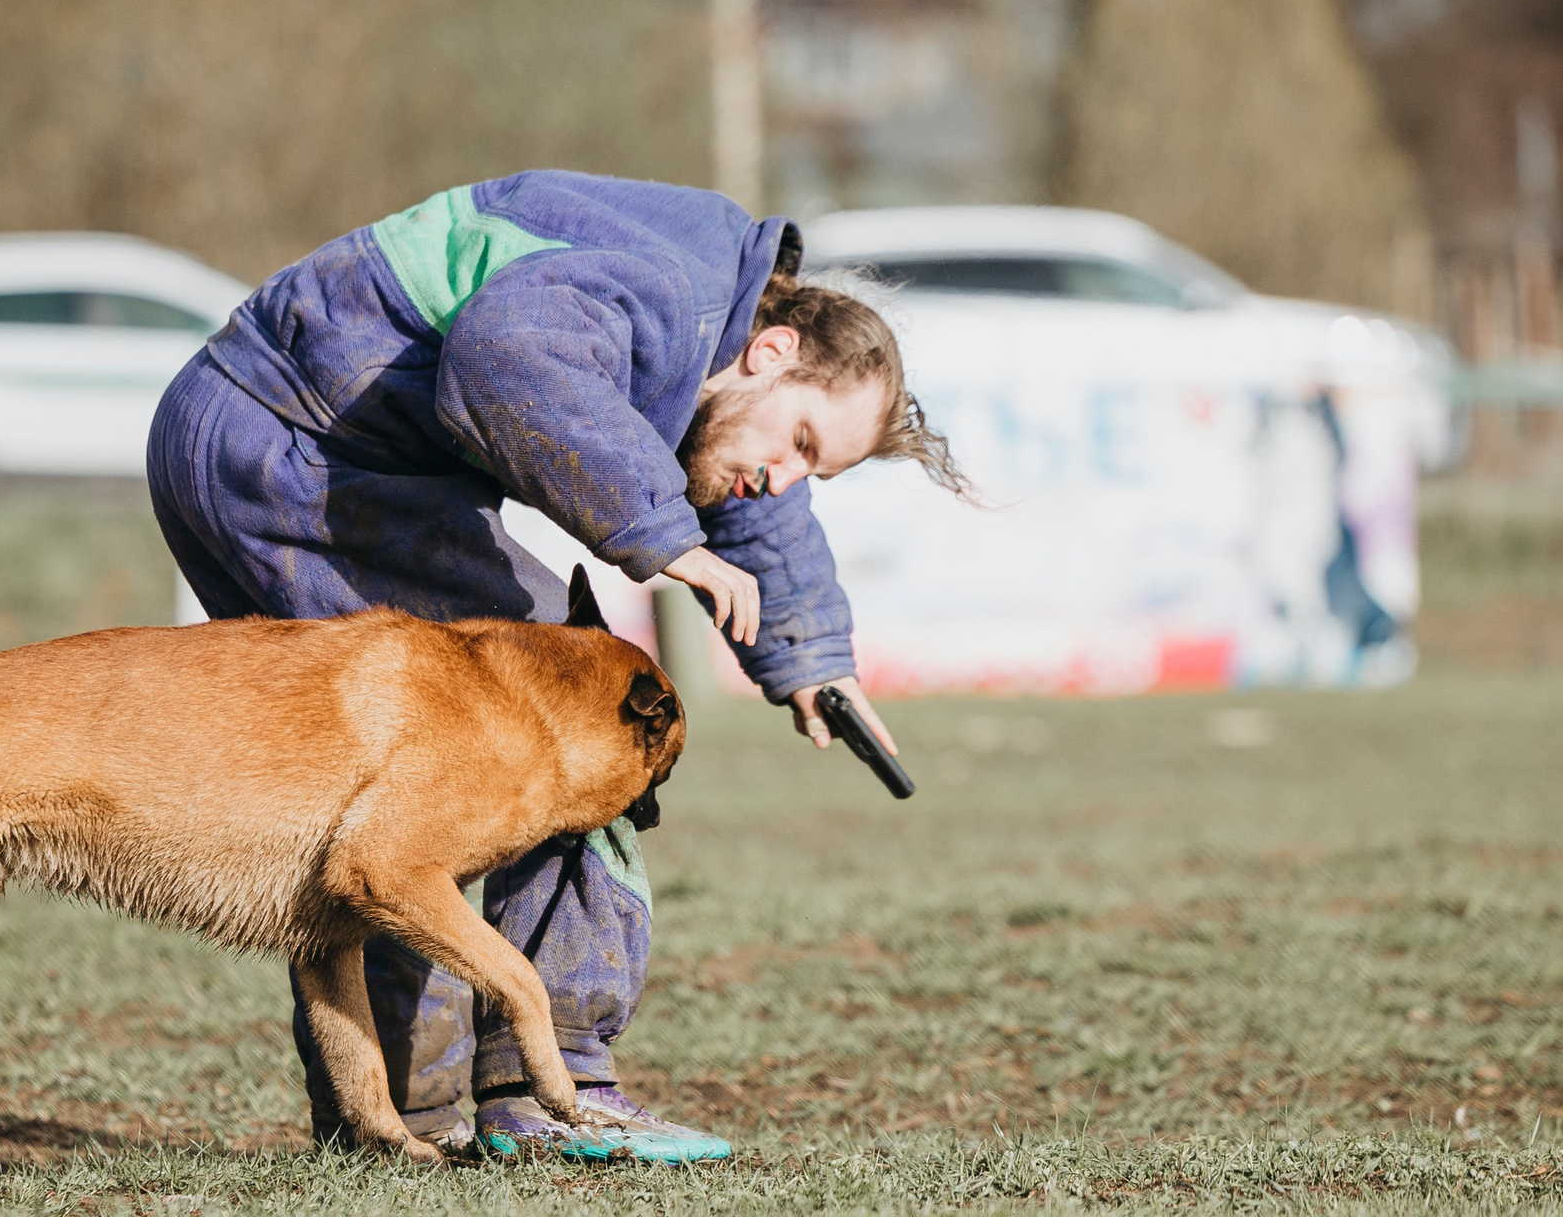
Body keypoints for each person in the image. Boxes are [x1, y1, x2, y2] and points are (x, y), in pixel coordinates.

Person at [147, 171, 964, 1164]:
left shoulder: (714, 325)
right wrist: (666, 538)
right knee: (582, 716)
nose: (784, 478)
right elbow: (505, 353)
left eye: (814, 470)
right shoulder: (672, 290)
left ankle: (404, 1114)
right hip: (298, 452)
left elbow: (744, 482)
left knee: (397, 781)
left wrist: (810, 655)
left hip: (246, 435)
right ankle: (548, 1082)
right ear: (773, 349)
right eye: (799, 442)